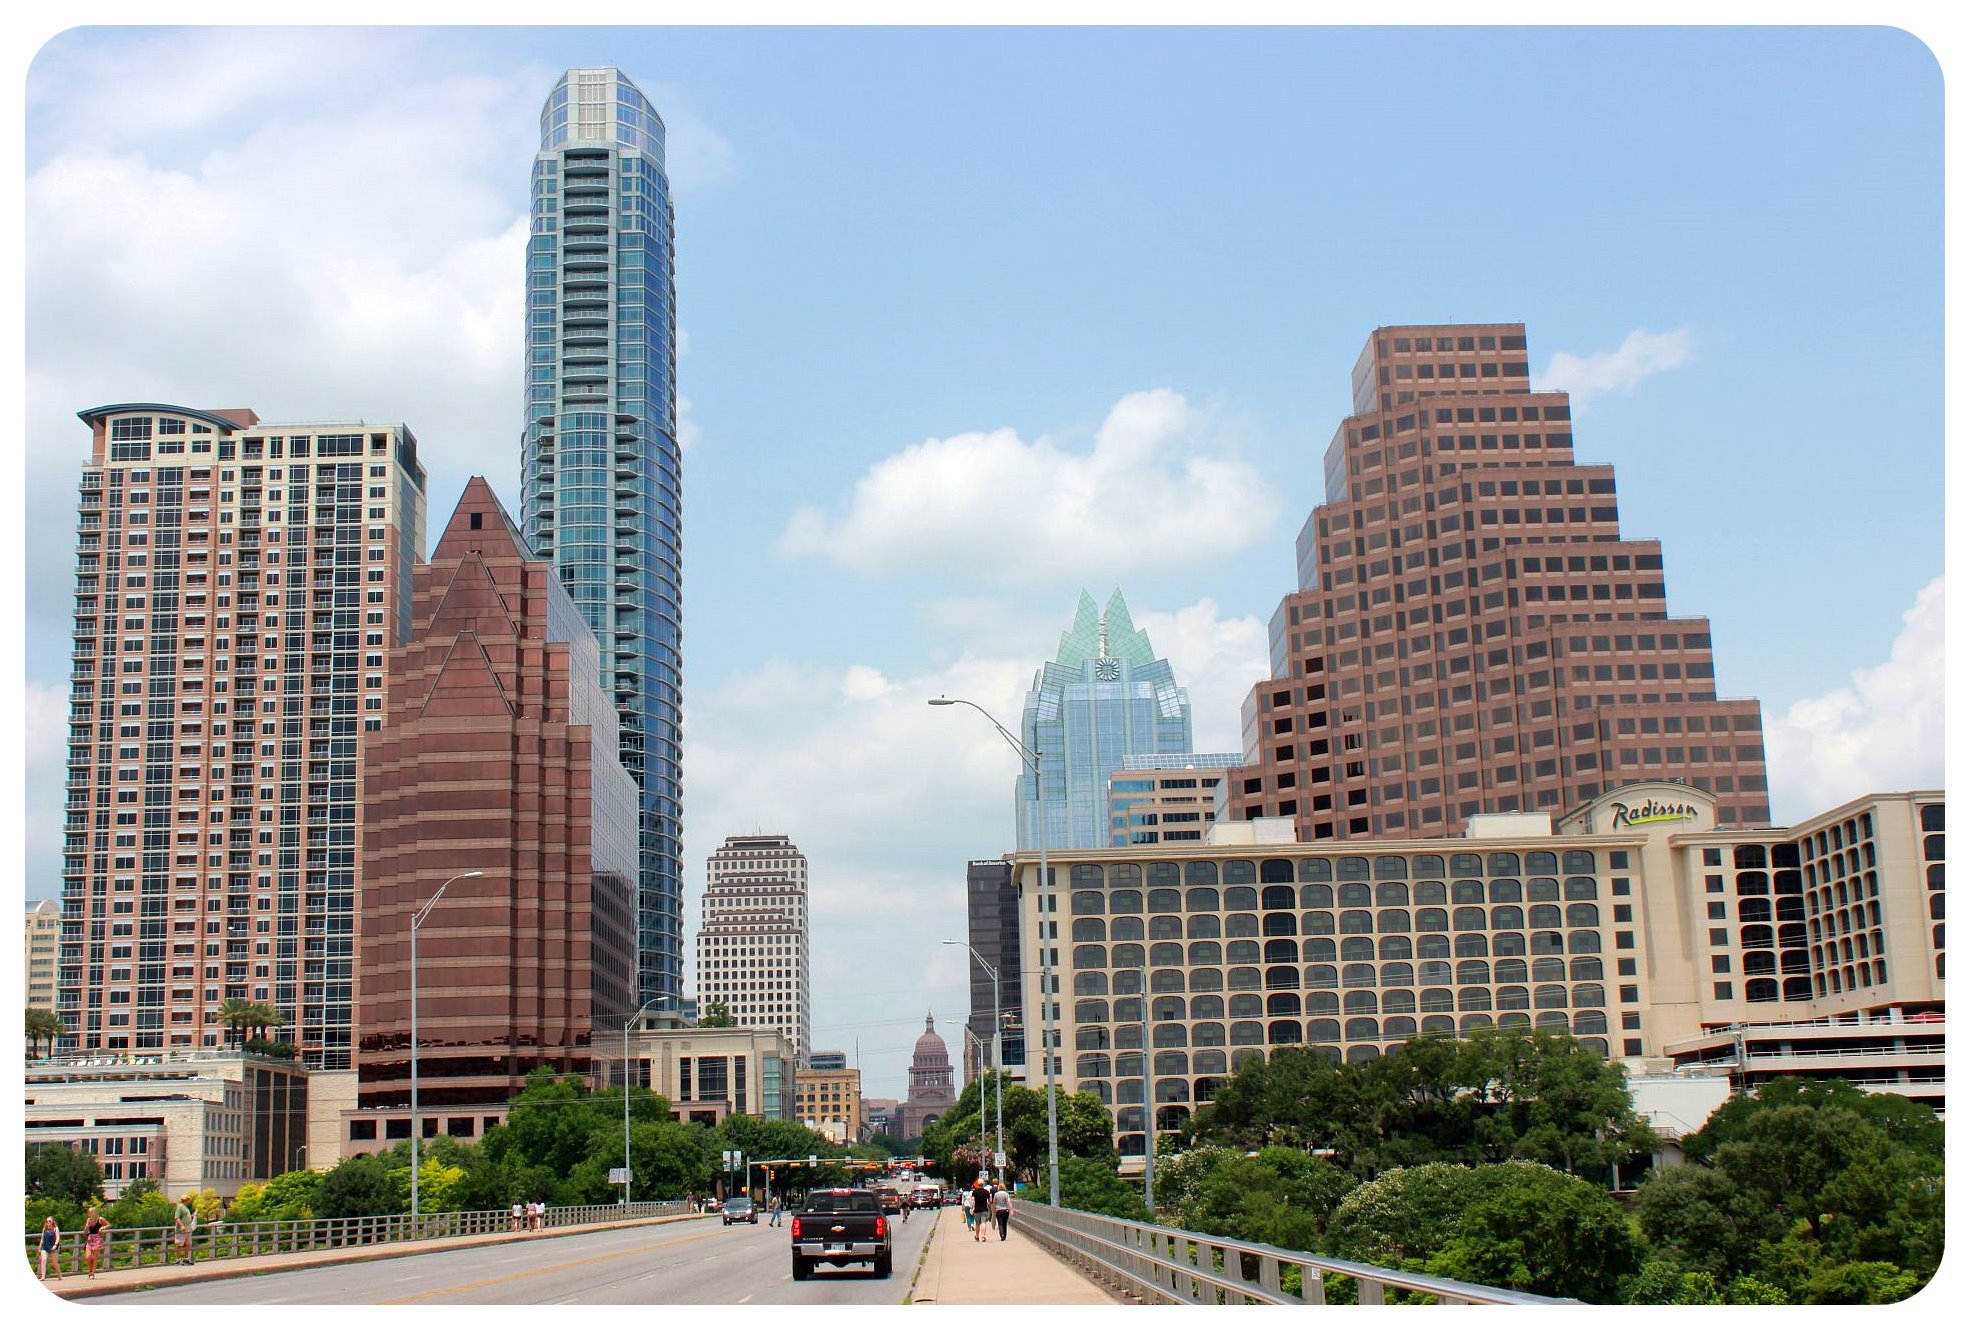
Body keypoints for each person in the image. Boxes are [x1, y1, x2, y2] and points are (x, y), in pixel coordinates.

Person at [82, 1207, 108, 1279]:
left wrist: (103, 1228)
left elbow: (109, 1225)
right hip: (90, 1239)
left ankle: (92, 1273)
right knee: (87, 1257)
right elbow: (84, 1231)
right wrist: (87, 1226)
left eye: (90, 1212)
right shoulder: (89, 1220)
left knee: (94, 1258)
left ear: (94, 1212)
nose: (89, 1214)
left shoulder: (100, 1219)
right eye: (88, 1213)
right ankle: (91, 1270)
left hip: (97, 1239)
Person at [172, 1194, 197, 1265]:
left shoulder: (185, 1208)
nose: (189, 1201)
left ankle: (186, 1259)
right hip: (181, 1230)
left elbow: (186, 1217)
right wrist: (182, 1226)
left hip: (188, 1229)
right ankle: (178, 1260)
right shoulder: (180, 1207)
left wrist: (193, 1216)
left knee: (188, 1244)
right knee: (179, 1244)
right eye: (188, 1200)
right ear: (186, 1200)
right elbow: (176, 1218)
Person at [38, 1216, 63, 1281]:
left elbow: (58, 1237)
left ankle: (59, 1275)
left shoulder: (55, 1228)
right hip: (45, 1247)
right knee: (43, 1260)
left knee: (54, 1263)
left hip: (52, 1247)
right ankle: (43, 1276)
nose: (48, 1222)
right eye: (47, 1221)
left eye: (49, 1221)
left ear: (52, 1222)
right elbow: (42, 1239)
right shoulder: (45, 1229)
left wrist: (55, 1245)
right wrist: (39, 1247)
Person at [969, 1178, 991, 1243]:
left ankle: (977, 1236)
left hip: (977, 1210)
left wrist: (971, 1208)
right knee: (983, 1222)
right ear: (983, 1184)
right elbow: (989, 1201)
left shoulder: (974, 1192)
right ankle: (983, 1236)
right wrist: (988, 1207)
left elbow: (973, 1201)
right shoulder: (986, 1192)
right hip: (984, 1209)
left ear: (978, 1184)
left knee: (977, 1224)